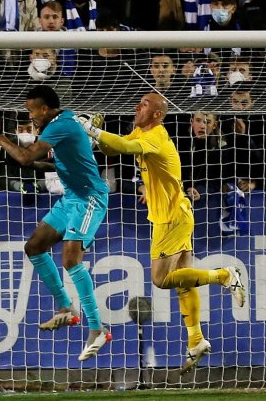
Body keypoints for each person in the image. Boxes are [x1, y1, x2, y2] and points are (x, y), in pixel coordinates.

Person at [79, 92, 247, 373]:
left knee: (159, 279)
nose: (136, 105)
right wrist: (96, 136)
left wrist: (92, 129)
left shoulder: (156, 135)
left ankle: (225, 275)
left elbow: (122, 145)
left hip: (170, 218)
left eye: (143, 104)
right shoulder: (140, 130)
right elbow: (114, 149)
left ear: (157, 113)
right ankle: (196, 339)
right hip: (175, 214)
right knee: (183, 281)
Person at [0, 85, 110, 361]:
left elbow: (24, 157)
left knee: (70, 259)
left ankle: (97, 329)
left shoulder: (61, 125)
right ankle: (66, 308)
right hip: (71, 199)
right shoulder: (58, 126)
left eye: (31, 111)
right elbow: (54, 164)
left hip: (90, 198)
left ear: (44, 109)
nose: (30, 116)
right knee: (34, 247)